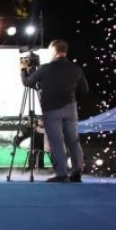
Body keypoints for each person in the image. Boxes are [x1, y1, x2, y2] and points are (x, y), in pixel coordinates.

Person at [21, 39, 89, 183]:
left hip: (52, 110)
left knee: (56, 142)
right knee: (73, 141)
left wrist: (23, 70)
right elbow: (84, 89)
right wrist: (70, 98)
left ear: (53, 51)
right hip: (70, 108)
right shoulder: (76, 68)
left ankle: (62, 174)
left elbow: (27, 82)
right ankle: (77, 172)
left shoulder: (45, 68)